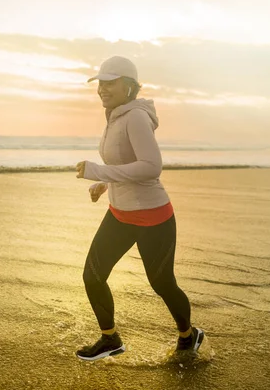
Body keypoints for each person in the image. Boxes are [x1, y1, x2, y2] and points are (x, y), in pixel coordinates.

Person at [74, 56, 204, 361]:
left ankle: (188, 335)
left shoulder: (134, 117)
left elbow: (150, 167)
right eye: (100, 83)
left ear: (129, 86)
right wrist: (104, 185)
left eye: (110, 82)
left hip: (152, 216)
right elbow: (123, 162)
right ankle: (110, 339)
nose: (102, 89)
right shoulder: (115, 115)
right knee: (92, 276)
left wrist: (99, 173)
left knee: (162, 283)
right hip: (120, 214)